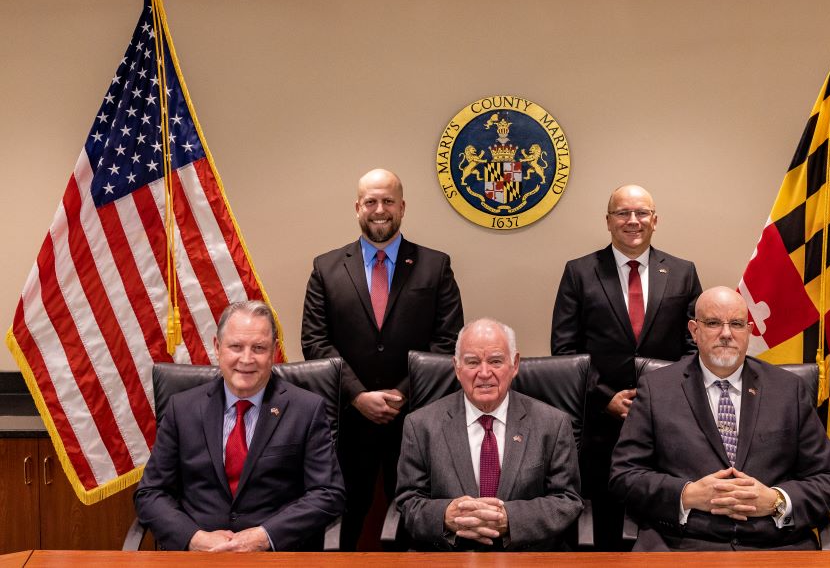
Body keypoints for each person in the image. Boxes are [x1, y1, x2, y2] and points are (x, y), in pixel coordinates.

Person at [609, 286, 830, 551]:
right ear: (694, 331)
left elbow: (829, 480)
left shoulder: (788, 390)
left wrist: (776, 500)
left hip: (775, 547)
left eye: (736, 323)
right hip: (681, 546)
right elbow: (624, 476)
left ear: (749, 330)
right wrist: (686, 495)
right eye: (712, 323)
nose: (726, 334)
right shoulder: (656, 388)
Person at [301, 168, 464, 550]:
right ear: (357, 207)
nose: (380, 209)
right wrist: (358, 395)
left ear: (402, 207)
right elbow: (314, 341)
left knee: (415, 518)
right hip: (347, 420)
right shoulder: (326, 267)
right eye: (371, 201)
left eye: (388, 201)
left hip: (416, 418)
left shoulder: (434, 265)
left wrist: (401, 393)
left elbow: (448, 340)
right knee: (343, 518)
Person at [550, 183, 701, 549]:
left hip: (667, 419)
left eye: (642, 213)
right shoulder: (580, 272)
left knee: (661, 519)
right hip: (600, 424)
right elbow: (566, 351)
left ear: (655, 220)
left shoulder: (682, 272)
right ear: (608, 221)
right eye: (622, 213)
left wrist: (661, 396)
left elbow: (695, 346)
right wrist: (605, 397)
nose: (633, 221)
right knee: (602, 524)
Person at [134, 300, 345, 551]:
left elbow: (328, 493)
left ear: (274, 352)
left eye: (259, 348)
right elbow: (151, 493)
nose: (246, 359)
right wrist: (194, 538)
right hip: (199, 556)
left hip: (273, 557)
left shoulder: (306, 409)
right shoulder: (182, 408)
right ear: (217, 347)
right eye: (236, 346)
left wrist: (264, 537)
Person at [395, 318, 583, 551]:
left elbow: (567, 501)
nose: (484, 373)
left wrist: (509, 519)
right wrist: (446, 515)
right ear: (456, 367)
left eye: (495, 361)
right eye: (472, 362)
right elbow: (408, 501)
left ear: (514, 365)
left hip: (526, 557)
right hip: (450, 557)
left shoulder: (552, 424)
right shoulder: (420, 425)